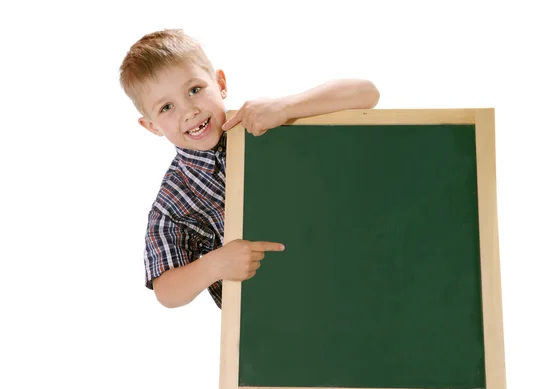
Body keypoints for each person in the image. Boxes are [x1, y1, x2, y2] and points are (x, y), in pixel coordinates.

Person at [119, 28, 379, 309]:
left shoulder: (268, 122)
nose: (189, 111)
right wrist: (214, 265)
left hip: (354, 283)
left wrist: (286, 107)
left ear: (220, 83)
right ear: (152, 126)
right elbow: (166, 291)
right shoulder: (175, 200)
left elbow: (366, 93)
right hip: (279, 325)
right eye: (167, 107)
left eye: (195, 90)